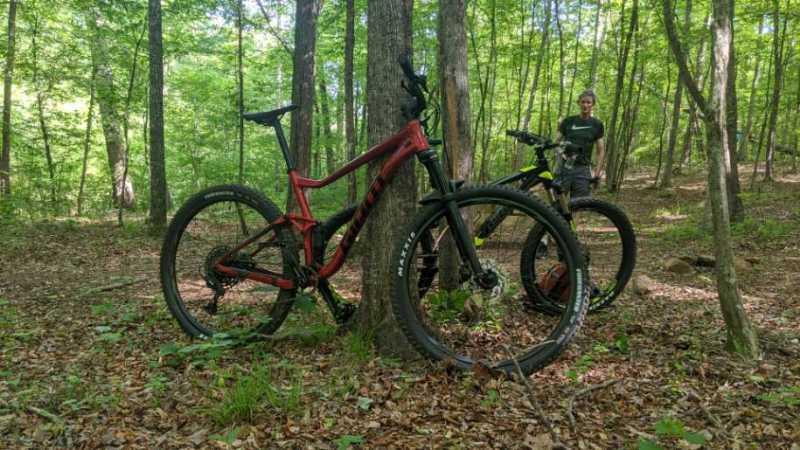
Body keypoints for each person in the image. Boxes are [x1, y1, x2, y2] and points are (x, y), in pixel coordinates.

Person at [555, 90, 605, 197]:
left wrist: (597, 173)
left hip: (583, 169)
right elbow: (556, 143)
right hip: (565, 167)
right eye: (583, 102)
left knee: (579, 204)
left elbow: (600, 151)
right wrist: (561, 153)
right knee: (559, 203)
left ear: (593, 104)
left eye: (588, 102)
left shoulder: (597, 124)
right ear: (578, 103)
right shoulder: (568, 121)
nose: (585, 105)